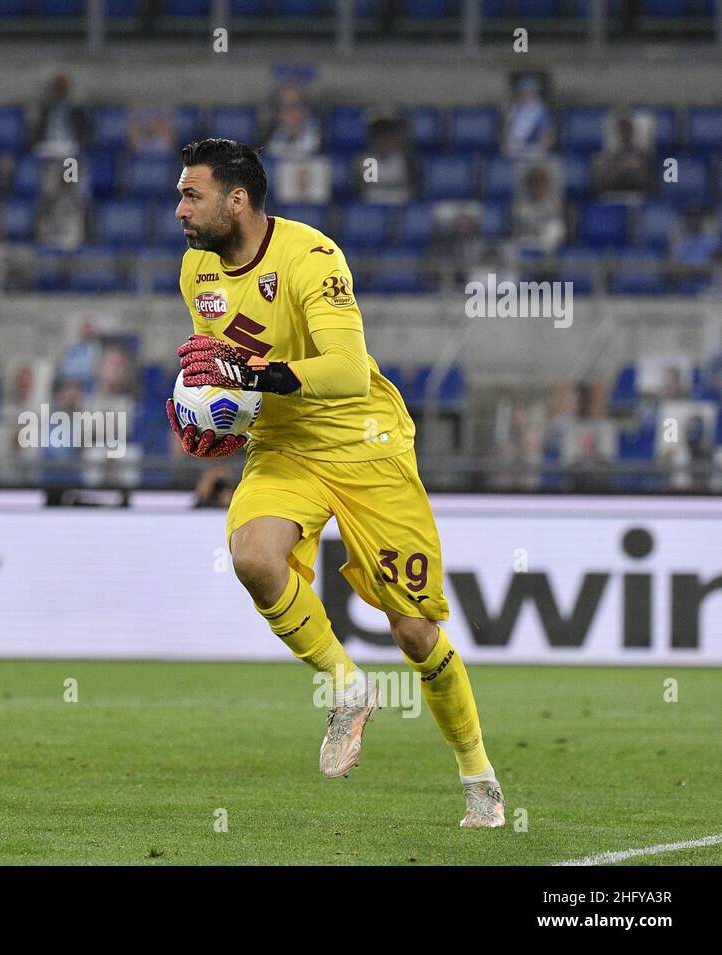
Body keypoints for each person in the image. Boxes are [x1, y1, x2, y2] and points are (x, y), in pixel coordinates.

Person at [168, 138, 505, 828]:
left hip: (364, 443)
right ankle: (348, 688)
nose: (179, 209)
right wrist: (211, 418)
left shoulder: (313, 258)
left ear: (238, 200)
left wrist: (251, 376)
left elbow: (347, 370)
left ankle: (479, 775)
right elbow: (223, 378)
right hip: (285, 444)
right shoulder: (195, 270)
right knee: (253, 556)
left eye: (191, 195)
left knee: (413, 630)